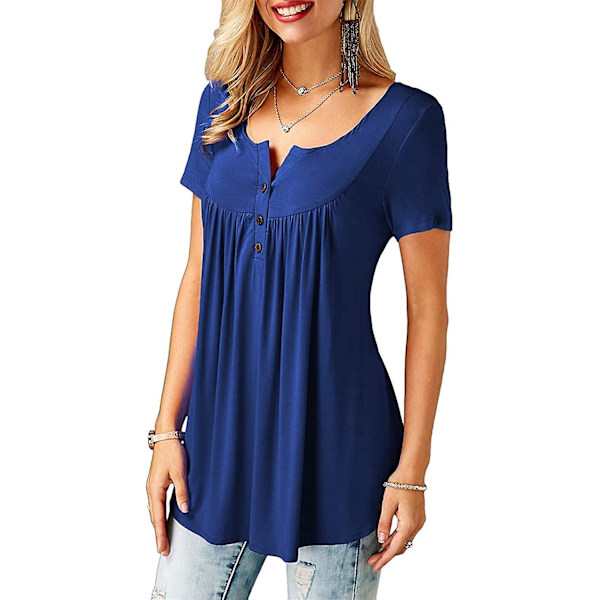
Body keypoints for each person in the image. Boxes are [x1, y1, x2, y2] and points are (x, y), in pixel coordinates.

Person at [147, 0, 452, 598]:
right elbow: (197, 277)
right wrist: (165, 431)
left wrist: (411, 471)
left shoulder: (407, 121)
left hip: (337, 454)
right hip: (215, 449)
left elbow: (427, 311)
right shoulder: (222, 105)